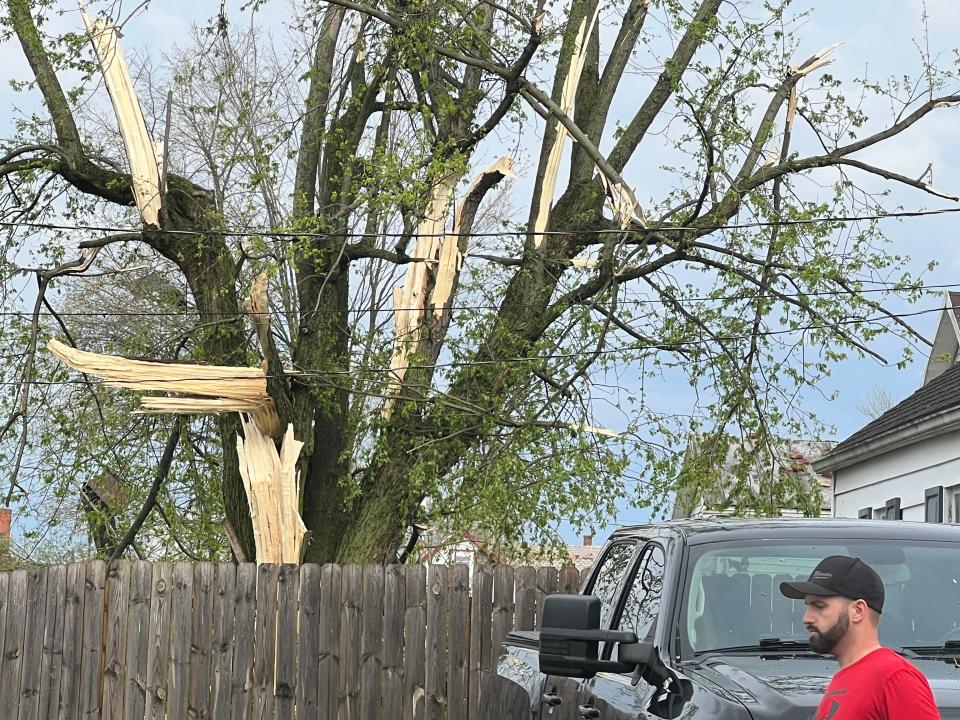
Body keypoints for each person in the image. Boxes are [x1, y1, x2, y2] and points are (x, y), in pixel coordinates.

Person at [780, 555, 940, 720]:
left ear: (858, 611)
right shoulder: (842, 679)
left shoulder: (896, 677)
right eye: (808, 606)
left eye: (819, 606)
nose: (807, 618)